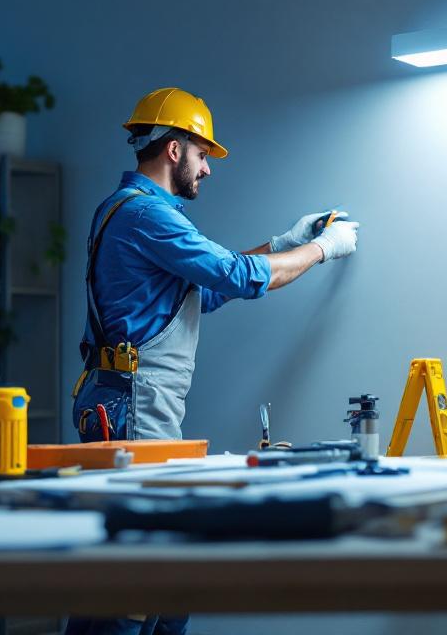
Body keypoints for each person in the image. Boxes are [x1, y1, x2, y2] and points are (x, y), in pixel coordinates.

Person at [64, 87, 358, 635]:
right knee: (134, 577)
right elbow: (237, 277)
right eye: (203, 154)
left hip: (133, 400)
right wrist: (322, 249)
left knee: (166, 573)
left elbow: (205, 291)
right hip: (134, 405)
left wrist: (281, 243)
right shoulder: (147, 215)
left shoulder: (136, 212)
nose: (207, 168)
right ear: (174, 149)